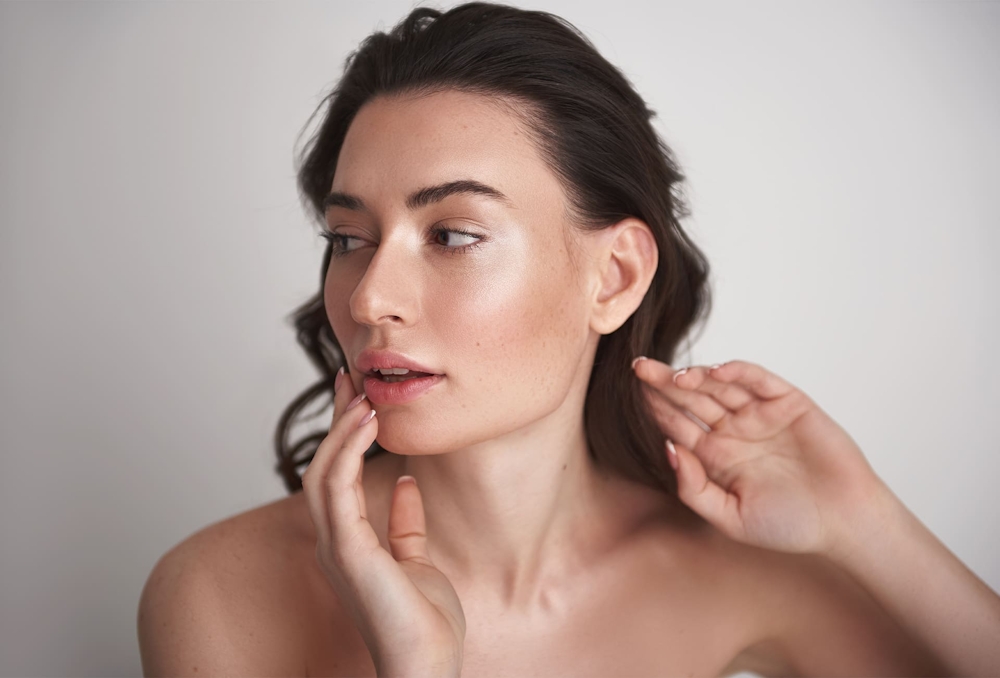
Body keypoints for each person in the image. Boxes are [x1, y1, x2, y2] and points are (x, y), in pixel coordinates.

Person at [137, 3, 1000, 676]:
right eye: (348, 239)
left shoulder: (739, 567)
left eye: (453, 235)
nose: (369, 298)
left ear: (614, 277)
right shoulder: (224, 593)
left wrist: (867, 524)